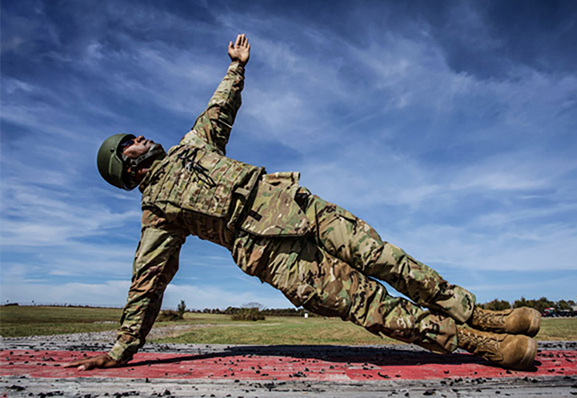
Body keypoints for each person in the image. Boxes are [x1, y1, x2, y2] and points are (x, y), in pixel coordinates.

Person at [66, 34, 540, 372]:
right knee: (370, 305)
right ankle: (479, 343)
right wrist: (123, 348)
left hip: (299, 208)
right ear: (126, 169)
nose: (141, 137)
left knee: (389, 260)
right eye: (129, 142)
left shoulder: (194, 144)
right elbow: (147, 282)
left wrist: (236, 67)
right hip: (274, 255)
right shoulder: (157, 213)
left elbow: (218, 109)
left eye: (135, 134)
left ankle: (478, 314)